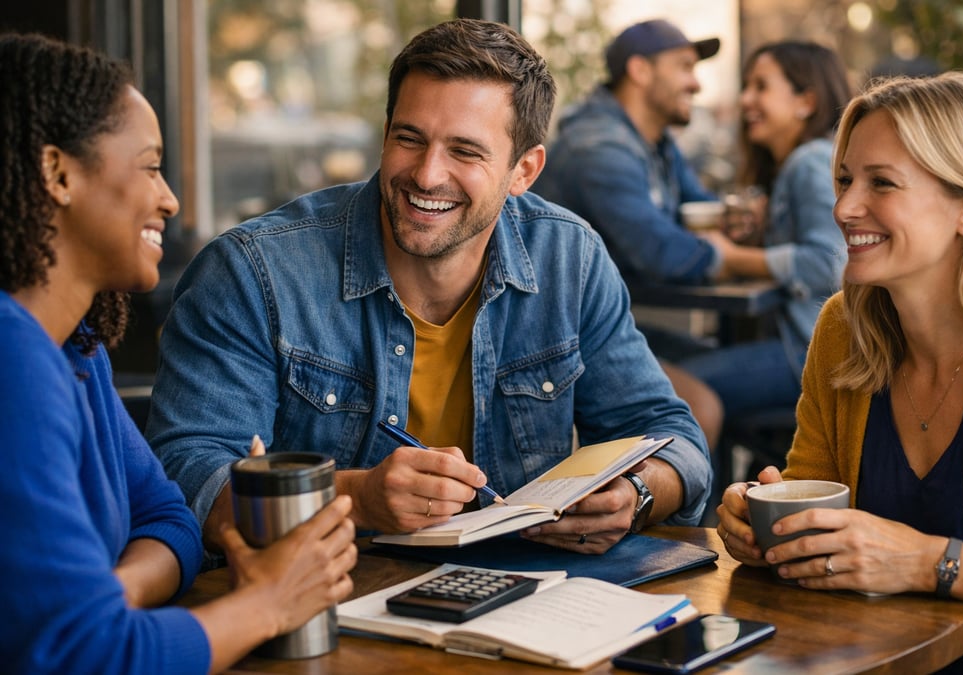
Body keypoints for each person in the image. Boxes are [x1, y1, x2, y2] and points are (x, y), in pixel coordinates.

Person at [147, 18, 711, 559]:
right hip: (317, 604)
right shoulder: (252, 271)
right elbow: (186, 481)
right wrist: (354, 498)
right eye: (409, 138)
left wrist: (634, 496)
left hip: (517, 600)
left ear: (524, 171)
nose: (426, 174)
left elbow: (671, 438)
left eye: (464, 151)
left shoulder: (570, 258)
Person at [0, 33, 357, 674]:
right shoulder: (12, 359)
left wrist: (112, 594)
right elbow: (88, 657)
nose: (169, 198)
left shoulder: (75, 350)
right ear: (57, 173)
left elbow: (169, 520)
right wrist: (269, 602)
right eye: (148, 166)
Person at [717, 72, 963, 672]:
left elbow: (909, 560)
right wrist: (760, 522)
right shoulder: (844, 330)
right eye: (846, 180)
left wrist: (928, 561)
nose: (845, 208)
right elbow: (810, 498)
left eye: (882, 183)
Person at [532, 18, 726, 444]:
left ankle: (721, 502)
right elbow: (664, 251)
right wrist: (738, 254)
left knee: (716, 361)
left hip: (605, 321)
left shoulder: (655, 143)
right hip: (553, 335)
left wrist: (728, 225)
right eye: (684, 66)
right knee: (703, 405)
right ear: (640, 70)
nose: (695, 84)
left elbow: (702, 212)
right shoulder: (600, 148)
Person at [672, 41, 850, 450]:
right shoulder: (803, 163)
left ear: (806, 101)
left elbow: (827, 262)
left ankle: (698, 507)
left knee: (681, 393)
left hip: (808, 353)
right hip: (799, 345)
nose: (745, 98)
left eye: (761, 87)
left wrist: (734, 258)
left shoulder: (808, 162)